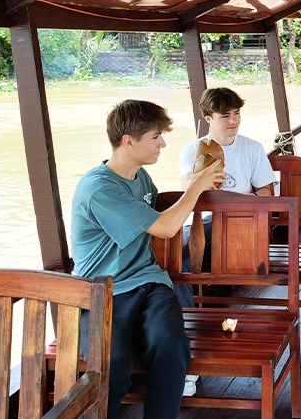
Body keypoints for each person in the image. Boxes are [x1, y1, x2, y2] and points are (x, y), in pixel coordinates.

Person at [70, 99, 224, 419]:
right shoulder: (100, 187)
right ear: (129, 141)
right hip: (102, 290)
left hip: (149, 281)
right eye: (155, 136)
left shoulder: (141, 178)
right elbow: (167, 228)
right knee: (112, 364)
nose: (163, 143)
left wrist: (198, 184)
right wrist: (195, 187)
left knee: (171, 347)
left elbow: (158, 217)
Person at [175, 87, 276, 306]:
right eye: (225, 116)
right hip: (201, 224)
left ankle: (187, 306)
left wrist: (237, 205)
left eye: (236, 113)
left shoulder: (252, 148)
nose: (233, 121)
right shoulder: (193, 150)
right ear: (208, 117)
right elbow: (185, 185)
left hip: (241, 222)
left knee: (183, 247)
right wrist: (202, 181)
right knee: (182, 241)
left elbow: (266, 193)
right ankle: (187, 305)